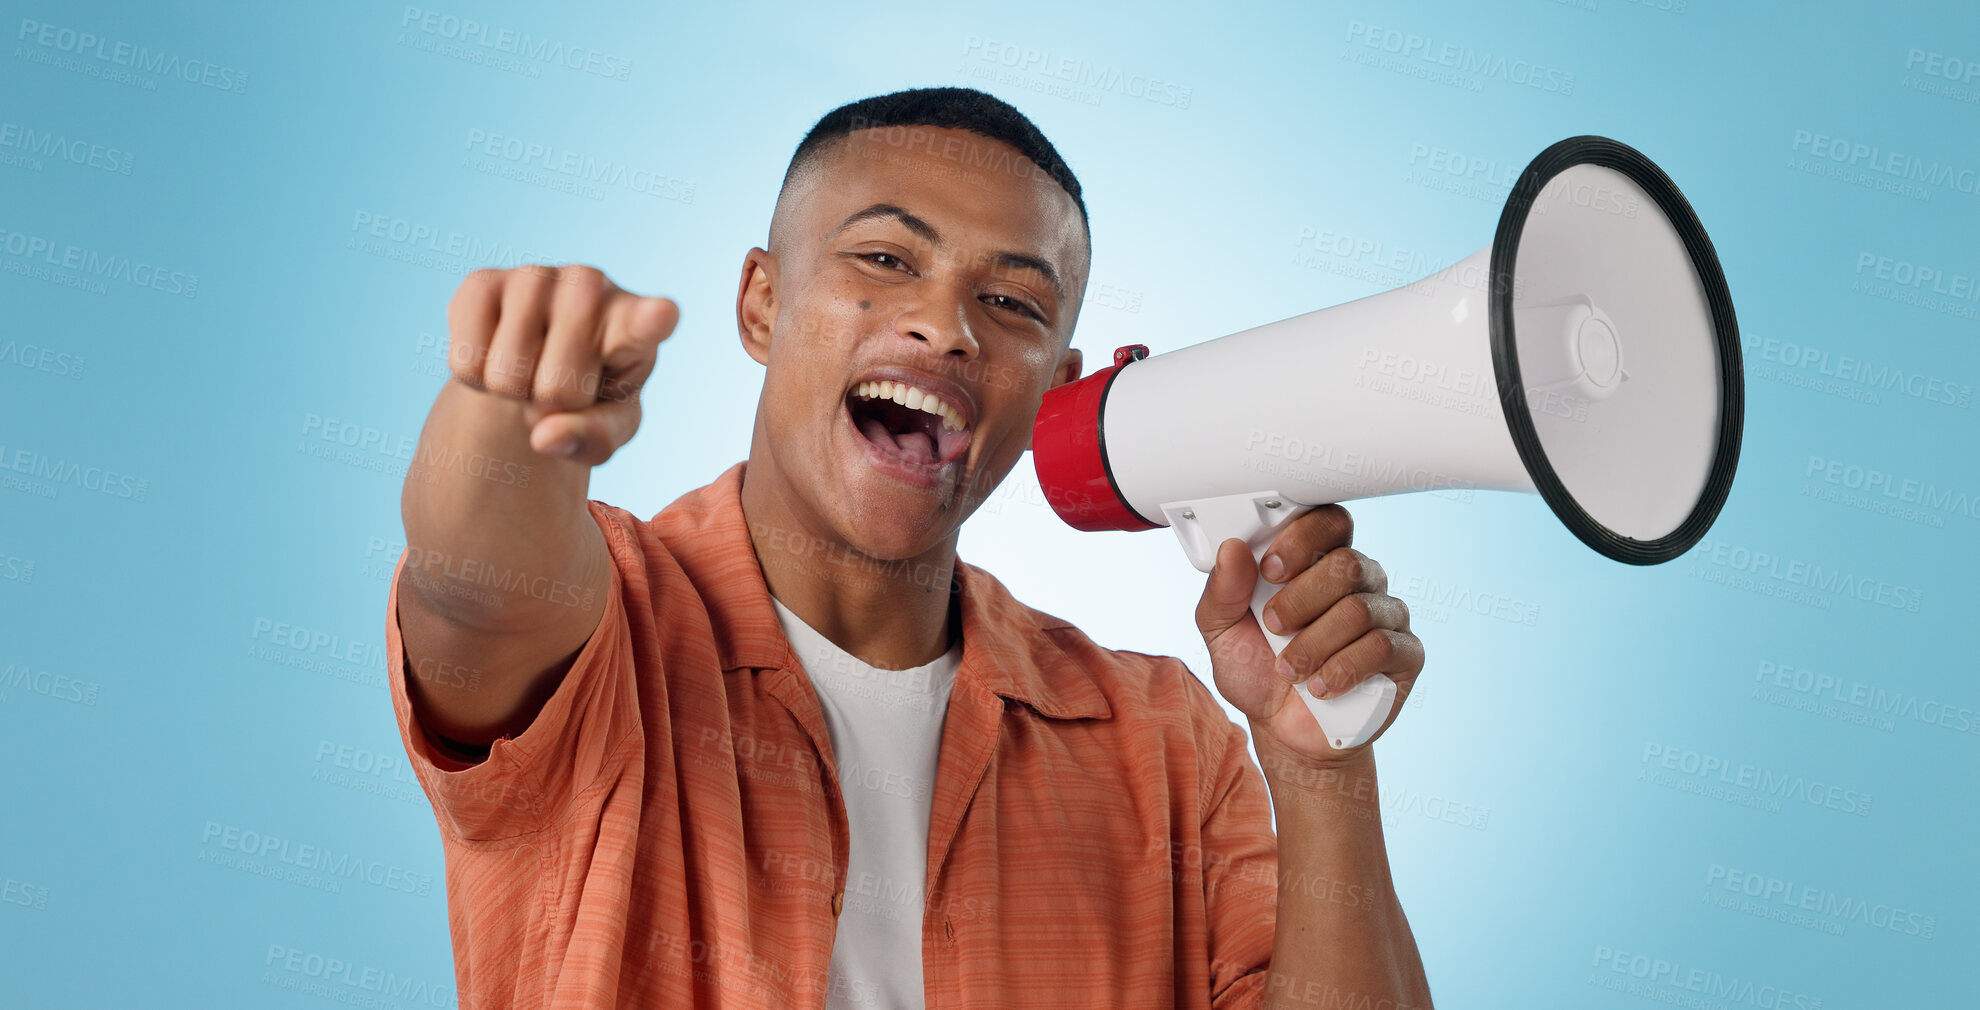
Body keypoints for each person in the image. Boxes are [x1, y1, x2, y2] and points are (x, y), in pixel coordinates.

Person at [386, 86, 1432, 1009]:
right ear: (762, 299)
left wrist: (1319, 767)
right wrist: (507, 411)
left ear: (1056, 384)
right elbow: (474, 584)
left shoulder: (1164, 742)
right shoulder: (613, 626)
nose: (947, 325)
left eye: (1011, 301)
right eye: (886, 260)